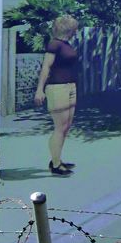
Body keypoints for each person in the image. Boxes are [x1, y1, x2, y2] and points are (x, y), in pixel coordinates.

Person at [32, 15, 81, 176]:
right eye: (74, 28)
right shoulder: (54, 44)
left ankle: (57, 159)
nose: (76, 31)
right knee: (60, 127)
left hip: (70, 87)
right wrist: (40, 89)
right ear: (68, 28)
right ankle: (55, 164)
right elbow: (46, 67)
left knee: (66, 127)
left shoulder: (66, 44)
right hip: (57, 88)